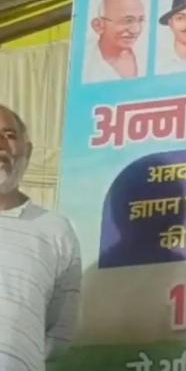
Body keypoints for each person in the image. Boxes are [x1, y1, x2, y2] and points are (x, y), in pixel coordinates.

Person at [0, 104, 81, 371]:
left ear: (28, 151)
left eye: (9, 135)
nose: (1, 145)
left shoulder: (55, 230)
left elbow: (59, 332)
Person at [84, 0, 145, 83]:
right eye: (128, 21)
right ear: (98, 26)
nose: (136, 30)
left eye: (140, 20)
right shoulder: (83, 59)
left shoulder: (153, 56)